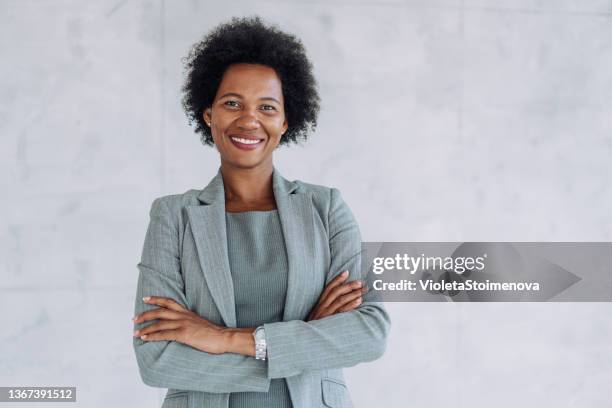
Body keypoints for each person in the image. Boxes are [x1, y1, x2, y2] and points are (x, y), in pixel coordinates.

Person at [132, 15, 390, 408]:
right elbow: (157, 359)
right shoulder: (174, 216)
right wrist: (302, 343)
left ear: (285, 121)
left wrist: (225, 339)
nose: (249, 119)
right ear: (209, 114)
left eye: (266, 107)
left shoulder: (326, 208)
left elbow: (369, 332)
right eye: (232, 103)